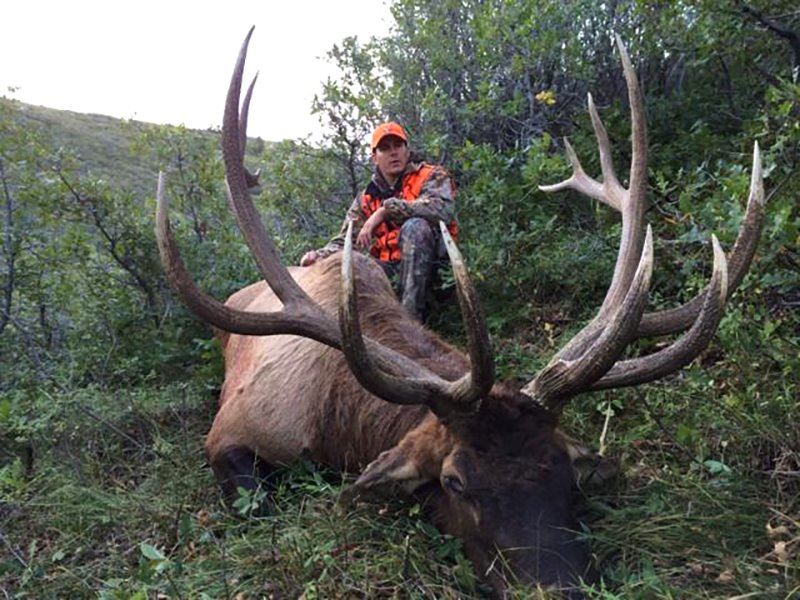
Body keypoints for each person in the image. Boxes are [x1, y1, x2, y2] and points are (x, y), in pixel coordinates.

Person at [300, 122, 458, 321]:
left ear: (407, 149)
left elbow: (442, 209)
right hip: (390, 273)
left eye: (398, 146)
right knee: (360, 267)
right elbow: (346, 240)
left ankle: (410, 323)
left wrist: (385, 211)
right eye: (385, 148)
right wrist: (320, 256)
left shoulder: (432, 176)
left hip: (435, 274)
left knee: (416, 228)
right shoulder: (366, 198)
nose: (394, 153)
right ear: (375, 157)